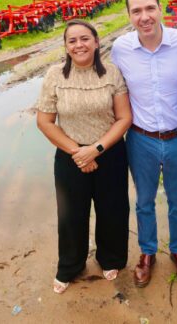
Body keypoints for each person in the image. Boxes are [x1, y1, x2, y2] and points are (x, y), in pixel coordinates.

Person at [111, 0, 177, 287]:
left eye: (150, 8)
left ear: (160, 9)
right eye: (136, 10)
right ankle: (147, 252)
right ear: (129, 15)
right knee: (144, 201)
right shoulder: (121, 48)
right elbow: (114, 90)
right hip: (141, 140)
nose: (144, 16)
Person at [36, 19, 132, 294]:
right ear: (66, 46)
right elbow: (45, 121)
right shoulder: (55, 75)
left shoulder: (112, 73)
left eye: (85, 39)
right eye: (72, 40)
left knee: (112, 210)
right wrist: (78, 152)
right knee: (70, 215)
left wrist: (95, 149)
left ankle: (110, 258)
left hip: (109, 153)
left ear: (97, 42)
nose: (79, 45)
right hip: (70, 156)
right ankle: (70, 265)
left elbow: (124, 117)